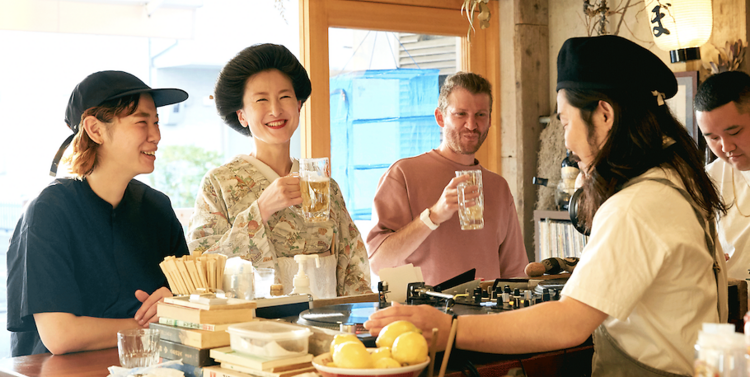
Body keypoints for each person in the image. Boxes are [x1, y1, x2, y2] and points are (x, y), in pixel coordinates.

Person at [365, 35, 728, 376]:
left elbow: (568, 322)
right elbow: (378, 257)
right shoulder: (676, 179)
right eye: (461, 114)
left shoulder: (636, 204)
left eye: (565, 121)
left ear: (604, 115)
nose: (567, 140)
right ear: (441, 117)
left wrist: (449, 328)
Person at [7, 71, 190, 356]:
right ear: (95, 129)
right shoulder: (49, 210)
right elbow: (60, 336)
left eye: (155, 122)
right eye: (142, 122)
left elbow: (190, 301)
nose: (156, 135)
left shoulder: (157, 208)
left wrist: (179, 302)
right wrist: (154, 326)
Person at [187, 43, 371, 297]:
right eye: (261, 99)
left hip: (326, 324)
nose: (275, 110)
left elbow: (352, 264)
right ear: (242, 115)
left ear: (298, 105)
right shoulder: (219, 183)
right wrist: (260, 211)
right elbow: (200, 268)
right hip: (253, 329)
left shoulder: (323, 185)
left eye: (285, 97)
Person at [366, 71, 527, 285]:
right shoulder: (403, 175)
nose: (471, 125)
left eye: (481, 115)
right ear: (440, 117)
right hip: (423, 317)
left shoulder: (498, 187)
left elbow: (515, 272)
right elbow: (378, 263)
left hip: (487, 318)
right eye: (461, 114)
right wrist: (433, 216)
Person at [695, 71, 750, 286]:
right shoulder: (709, 179)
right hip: (729, 307)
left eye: (734, 132)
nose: (726, 147)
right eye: (713, 138)